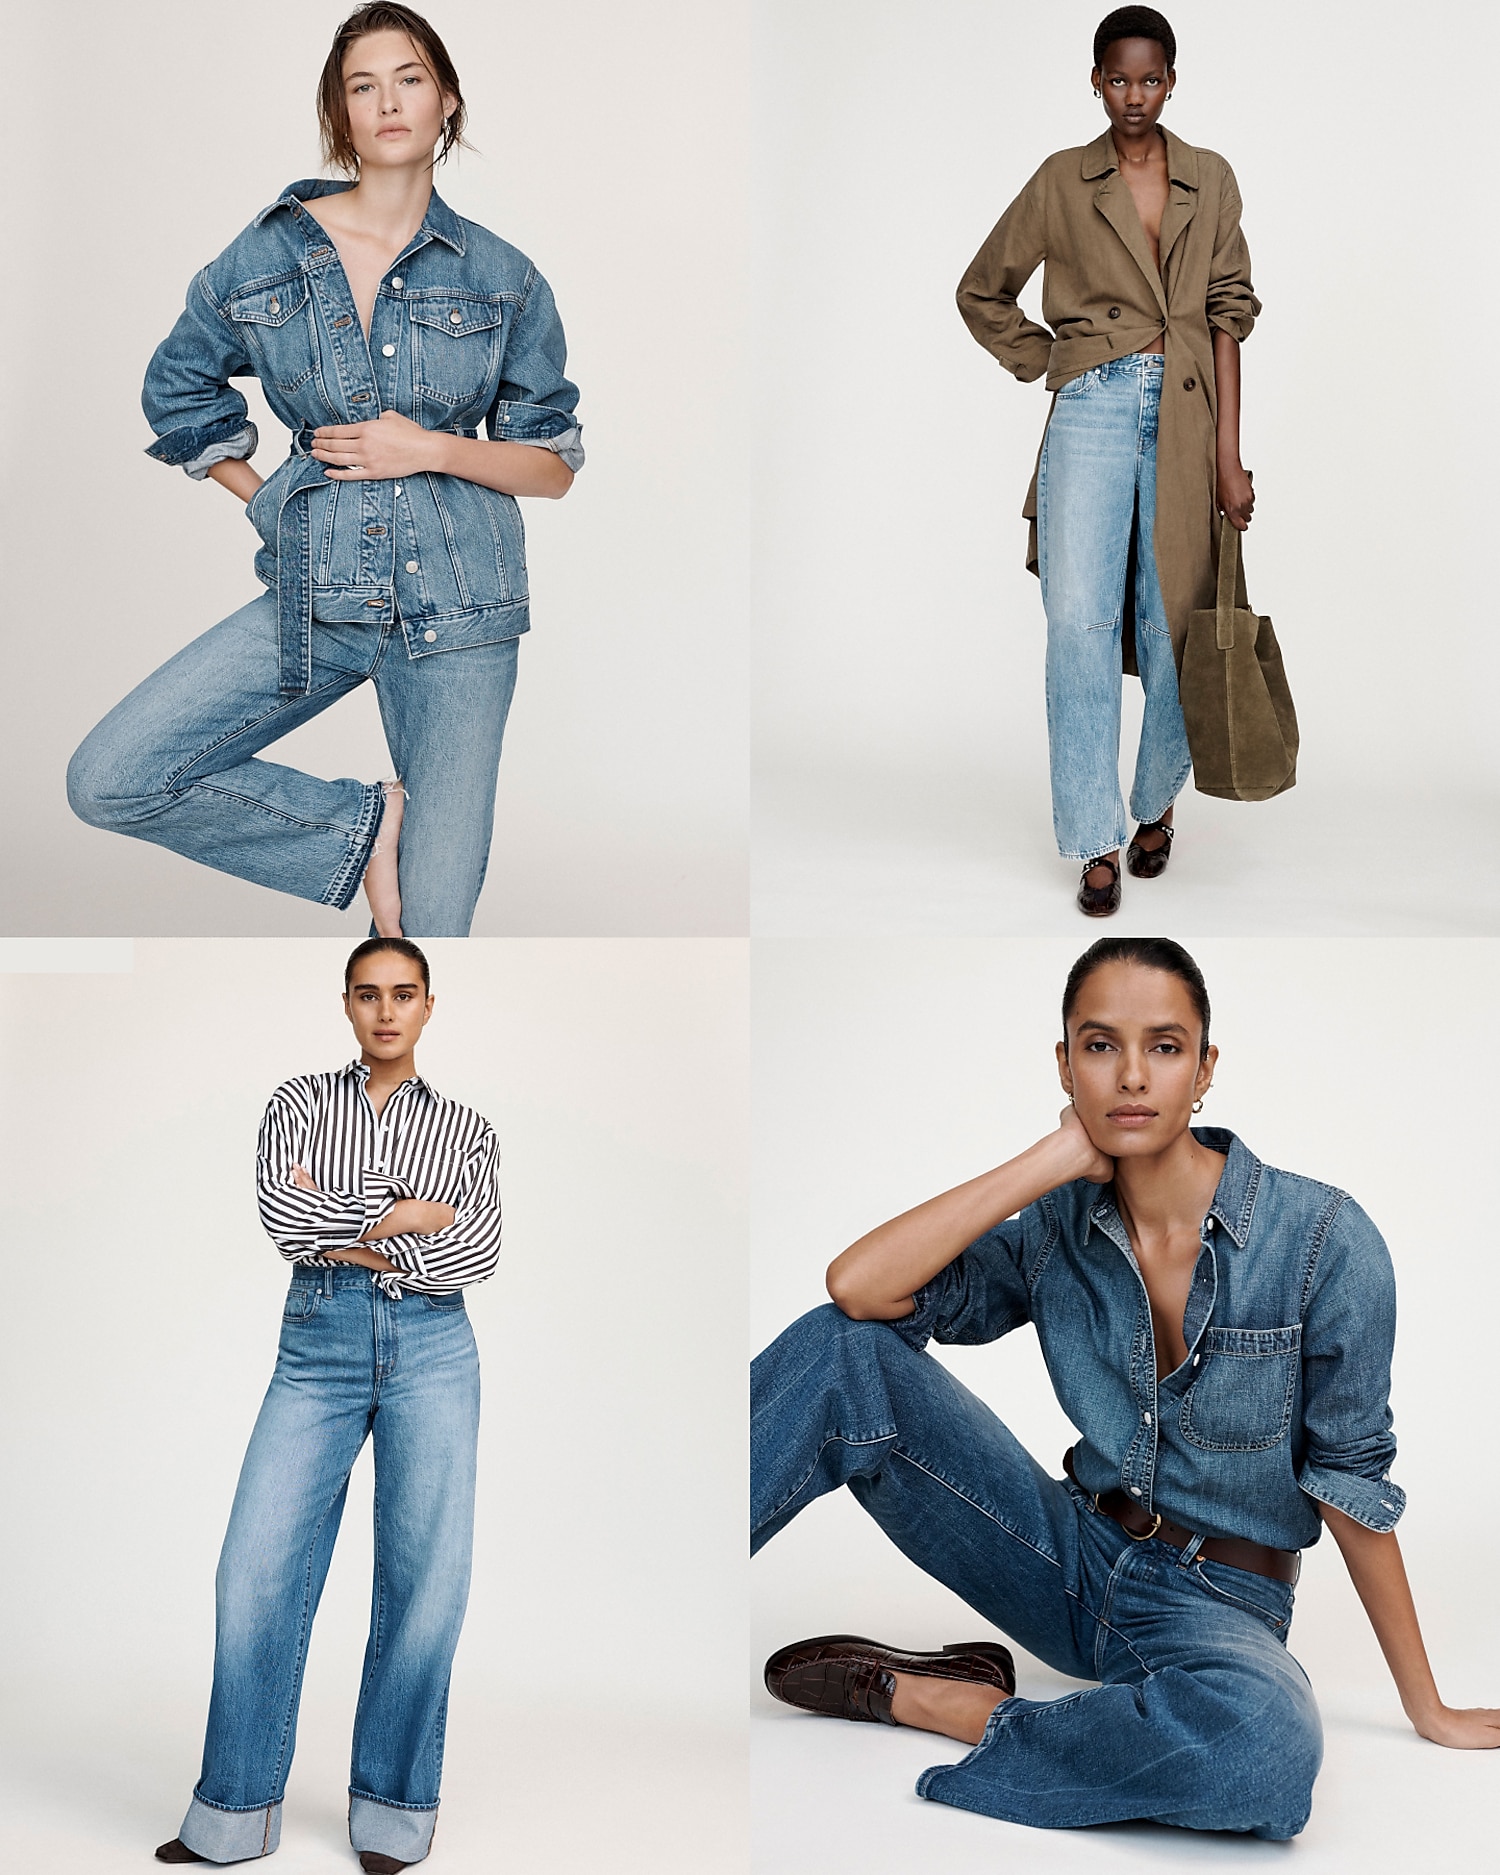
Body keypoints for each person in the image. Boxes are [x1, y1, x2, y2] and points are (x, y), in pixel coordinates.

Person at [752, 938, 1500, 1840]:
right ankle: (668, 1577)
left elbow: (1351, 1484)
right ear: (1065, 1063)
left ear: (1206, 1067)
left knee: (1264, 1748)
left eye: (1166, 1045)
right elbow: (860, 1289)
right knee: (843, 1353)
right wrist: (1048, 1162)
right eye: (1101, 1046)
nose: (1133, 1076)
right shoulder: (1055, 1228)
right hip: (1059, 1558)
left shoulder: (1324, 1243)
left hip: (1220, 1606)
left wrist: (1429, 1707)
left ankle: (936, 1702)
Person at [68, 2, 582, 939]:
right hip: (317, 598)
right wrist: (268, 500)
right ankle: (360, 827)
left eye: (410, 78)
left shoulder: (504, 277)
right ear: (339, 117)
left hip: (463, 618)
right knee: (113, 776)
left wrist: (429, 448)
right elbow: (179, 390)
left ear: (447, 102)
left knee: (430, 934)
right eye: (362, 85)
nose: (388, 101)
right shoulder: (268, 253)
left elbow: (550, 467)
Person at [156, 937, 501, 1871]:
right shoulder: (298, 1102)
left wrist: (342, 1214)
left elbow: (477, 1250)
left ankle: (392, 1814)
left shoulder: (470, 1127)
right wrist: (407, 1213)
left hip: (436, 1345)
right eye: (367, 994)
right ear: (345, 1004)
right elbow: (282, 1217)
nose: (385, 1011)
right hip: (316, 1343)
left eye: (403, 993)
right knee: (254, 1566)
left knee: (427, 1578)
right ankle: (231, 1813)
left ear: (430, 1005)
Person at [957, 8, 1256, 916]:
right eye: (1118, 80)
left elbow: (1228, 313)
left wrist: (1231, 458)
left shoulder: (1211, 179)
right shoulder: (1062, 179)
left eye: (1151, 80)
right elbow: (981, 289)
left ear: (1173, 81)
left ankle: (1156, 806)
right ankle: (1095, 840)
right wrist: (1053, 359)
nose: (1134, 96)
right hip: (1089, 409)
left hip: (1189, 416)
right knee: (1078, 626)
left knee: (1176, 622)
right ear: (1095, 80)